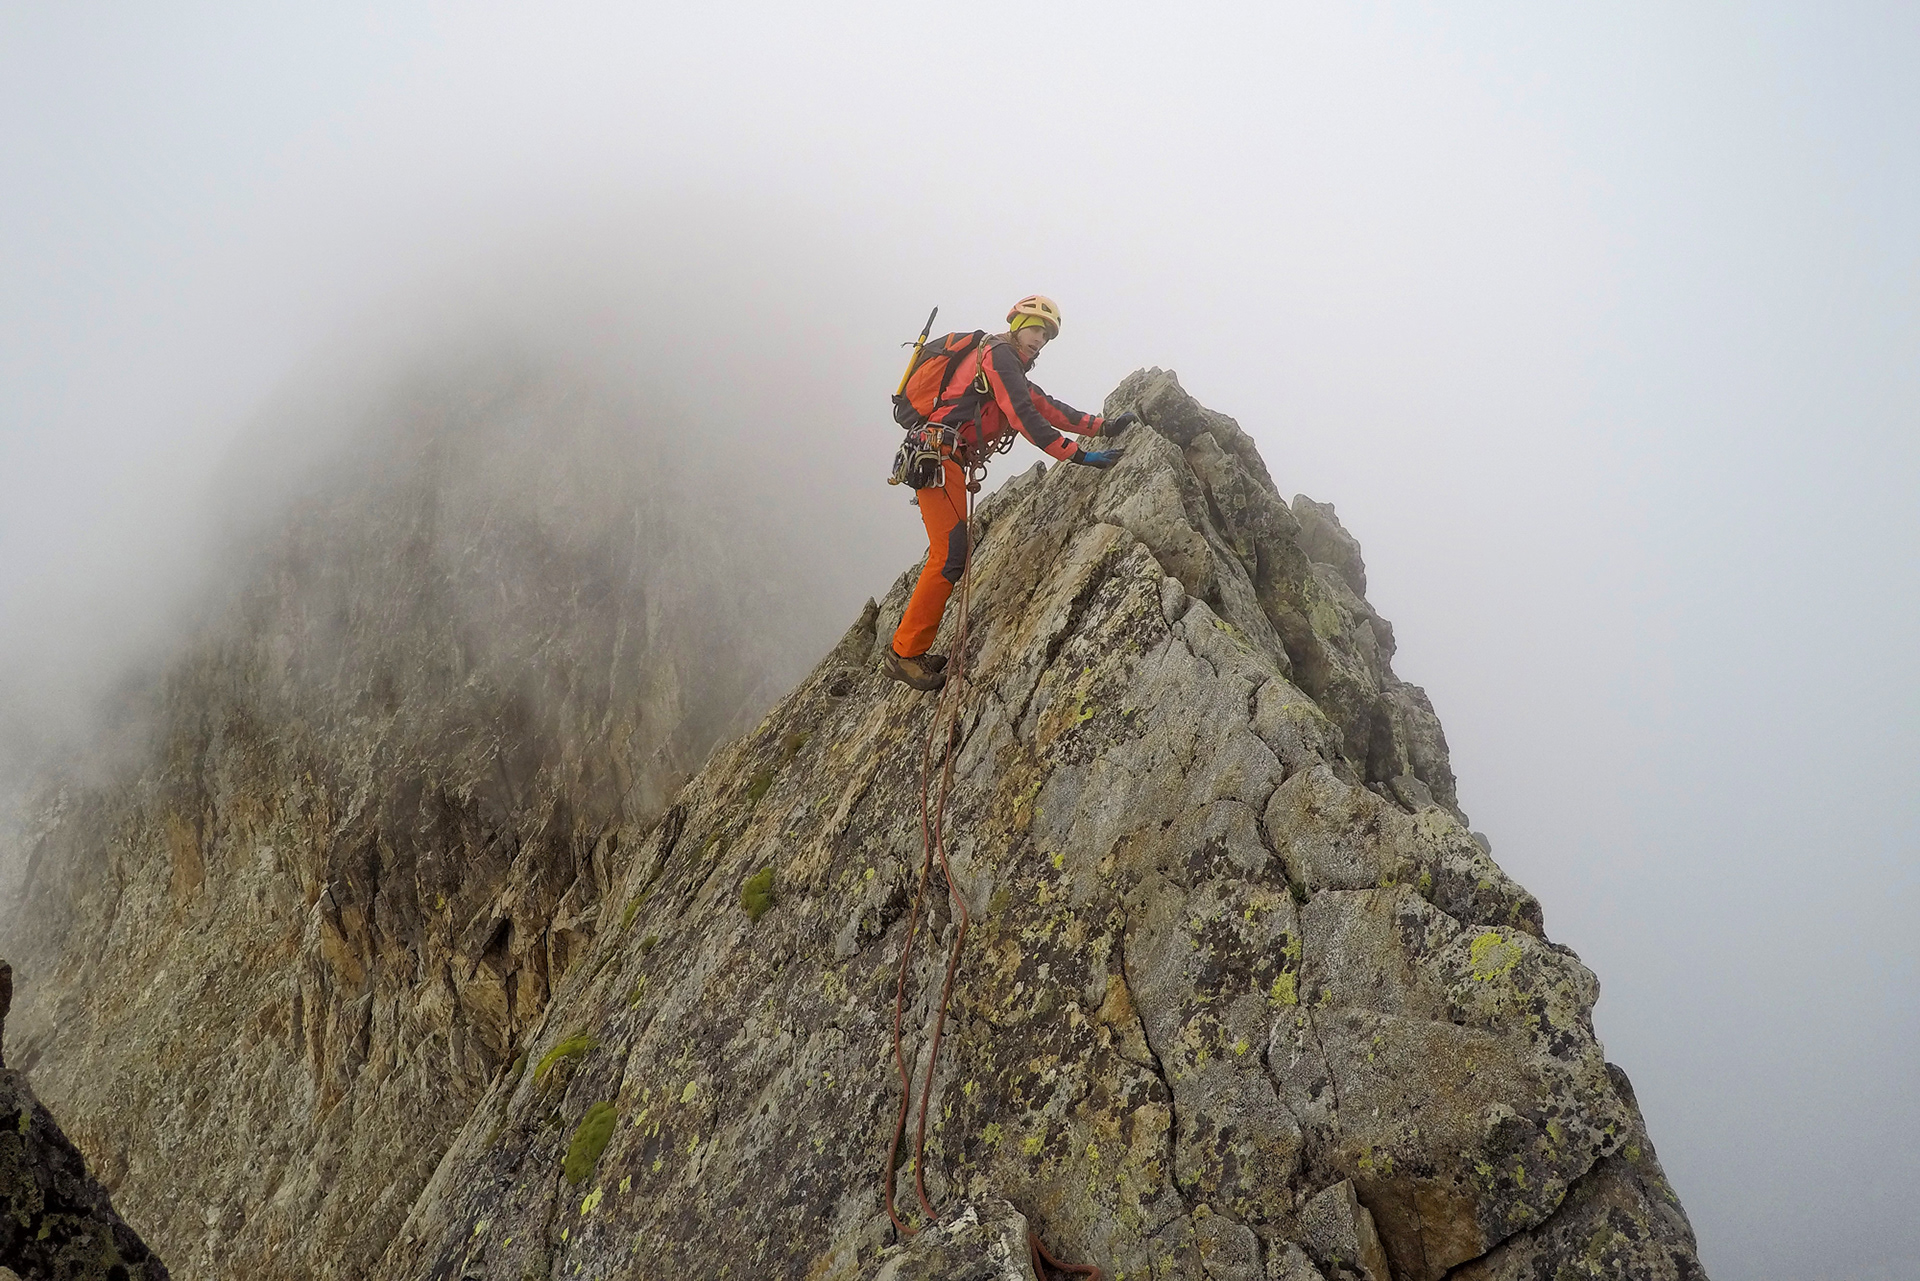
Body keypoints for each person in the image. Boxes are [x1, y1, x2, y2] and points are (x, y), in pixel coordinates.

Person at [884, 295, 1139, 690]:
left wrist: (1104, 426)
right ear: (1017, 323)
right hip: (937, 456)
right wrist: (1079, 457)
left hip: (941, 458)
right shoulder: (999, 354)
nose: (1041, 340)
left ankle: (910, 649)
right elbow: (1025, 417)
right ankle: (904, 655)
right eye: (1036, 329)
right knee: (949, 554)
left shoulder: (1005, 364)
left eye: (1047, 335)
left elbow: (1045, 406)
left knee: (951, 553)